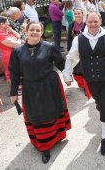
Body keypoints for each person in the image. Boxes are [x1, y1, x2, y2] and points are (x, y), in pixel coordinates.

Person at [9, 22, 71, 164]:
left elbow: (61, 62)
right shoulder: (18, 51)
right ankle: (45, 146)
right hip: (30, 88)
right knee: (37, 116)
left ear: (42, 32)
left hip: (50, 86)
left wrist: (68, 77)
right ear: (26, 31)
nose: (35, 32)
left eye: (38, 30)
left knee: (52, 111)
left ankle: (57, 136)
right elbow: (14, 73)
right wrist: (13, 93)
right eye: (32, 30)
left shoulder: (49, 47)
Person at [63, 12, 105, 156]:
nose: (93, 24)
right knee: (100, 102)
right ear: (86, 22)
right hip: (91, 79)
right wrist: (67, 74)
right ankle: (103, 107)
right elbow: (71, 57)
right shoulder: (79, 40)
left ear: (100, 21)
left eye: (95, 21)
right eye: (90, 22)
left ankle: (104, 138)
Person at [66, 8, 90, 96]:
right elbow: (69, 38)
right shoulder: (71, 25)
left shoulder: (86, 25)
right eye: (75, 14)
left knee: (85, 68)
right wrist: (68, 49)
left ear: (82, 14)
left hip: (85, 50)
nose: (77, 15)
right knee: (77, 68)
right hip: (75, 50)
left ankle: (87, 86)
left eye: (79, 13)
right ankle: (82, 85)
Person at [0, 17, 22, 86]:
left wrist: (11, 30)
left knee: (18, 73)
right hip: (9, 57)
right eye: (7, 22)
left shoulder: (7, 31)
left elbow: (19, 36)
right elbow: (15, 44)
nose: (9, 24)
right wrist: (20, 41)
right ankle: (14, 91)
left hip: (15, 55)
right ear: (2, 24)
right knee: (11, 74)